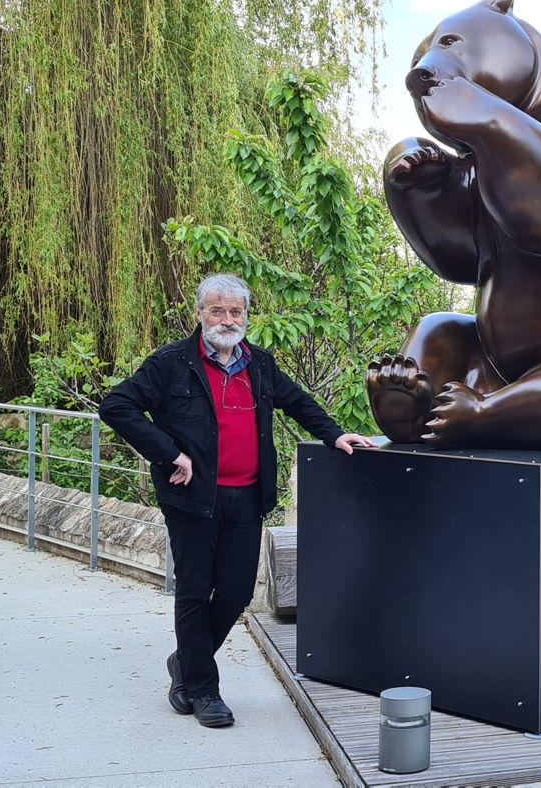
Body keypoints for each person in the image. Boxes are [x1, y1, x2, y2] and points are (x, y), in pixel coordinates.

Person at [99, 273, 376, 727]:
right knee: (193, 591)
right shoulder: (171, 363)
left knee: (236, 592)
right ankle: (204, 691)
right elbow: (117, 406)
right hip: (192, 499)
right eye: (217, 310)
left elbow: (297, 402)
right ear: (200, 314)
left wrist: (332, 433)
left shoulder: (258, 364)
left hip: (246, 497)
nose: (227, 319)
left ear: (246, 316)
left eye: (236, 312)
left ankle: (187, 662)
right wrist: (170, 453)